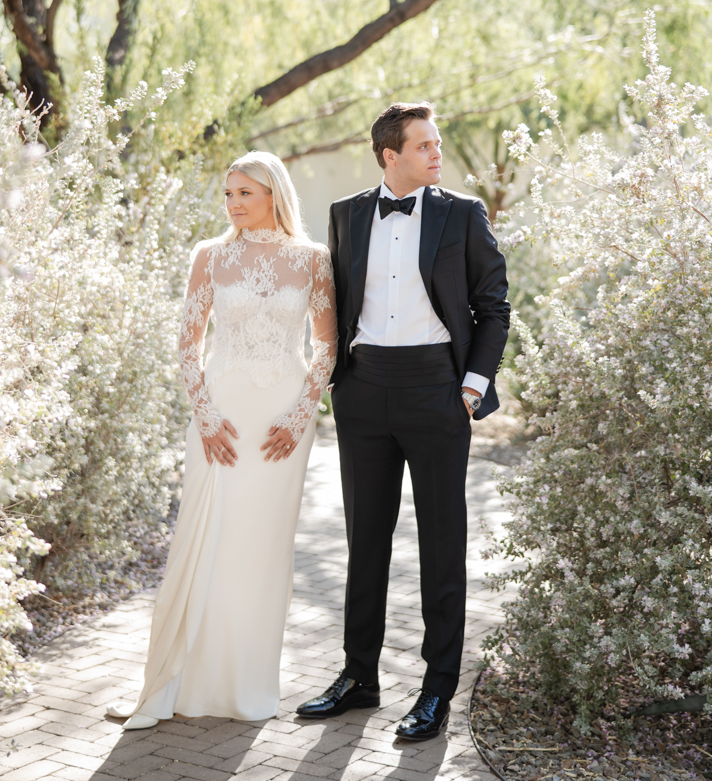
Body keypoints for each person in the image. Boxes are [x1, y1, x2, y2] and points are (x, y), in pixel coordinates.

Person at [296, 103, 509, 742]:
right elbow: (332, 301)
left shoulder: (463, 214)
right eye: (424, 146)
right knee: (366, 541)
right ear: (390, 155)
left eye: (437, 145)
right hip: (363, 394)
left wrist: (471, 387)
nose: (436, 154)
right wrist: (332, 379)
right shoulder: (347, 214)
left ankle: (437, 690)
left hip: (437, 394)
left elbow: (494, 308)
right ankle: (359, 676)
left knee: (442, 546)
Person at [107, 152, 336, 729]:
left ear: (274, 196)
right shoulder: (209, 257)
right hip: (222, 413)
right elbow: (188, 346)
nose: (233, 205)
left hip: (285, 416)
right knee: (206, 538)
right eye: (228, 194)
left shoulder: (313, 260)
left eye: (245, 194)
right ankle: (181, 681)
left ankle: (246, 683)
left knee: (262, 546)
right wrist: (205, 414)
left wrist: (303, 411)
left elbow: (325, 345)